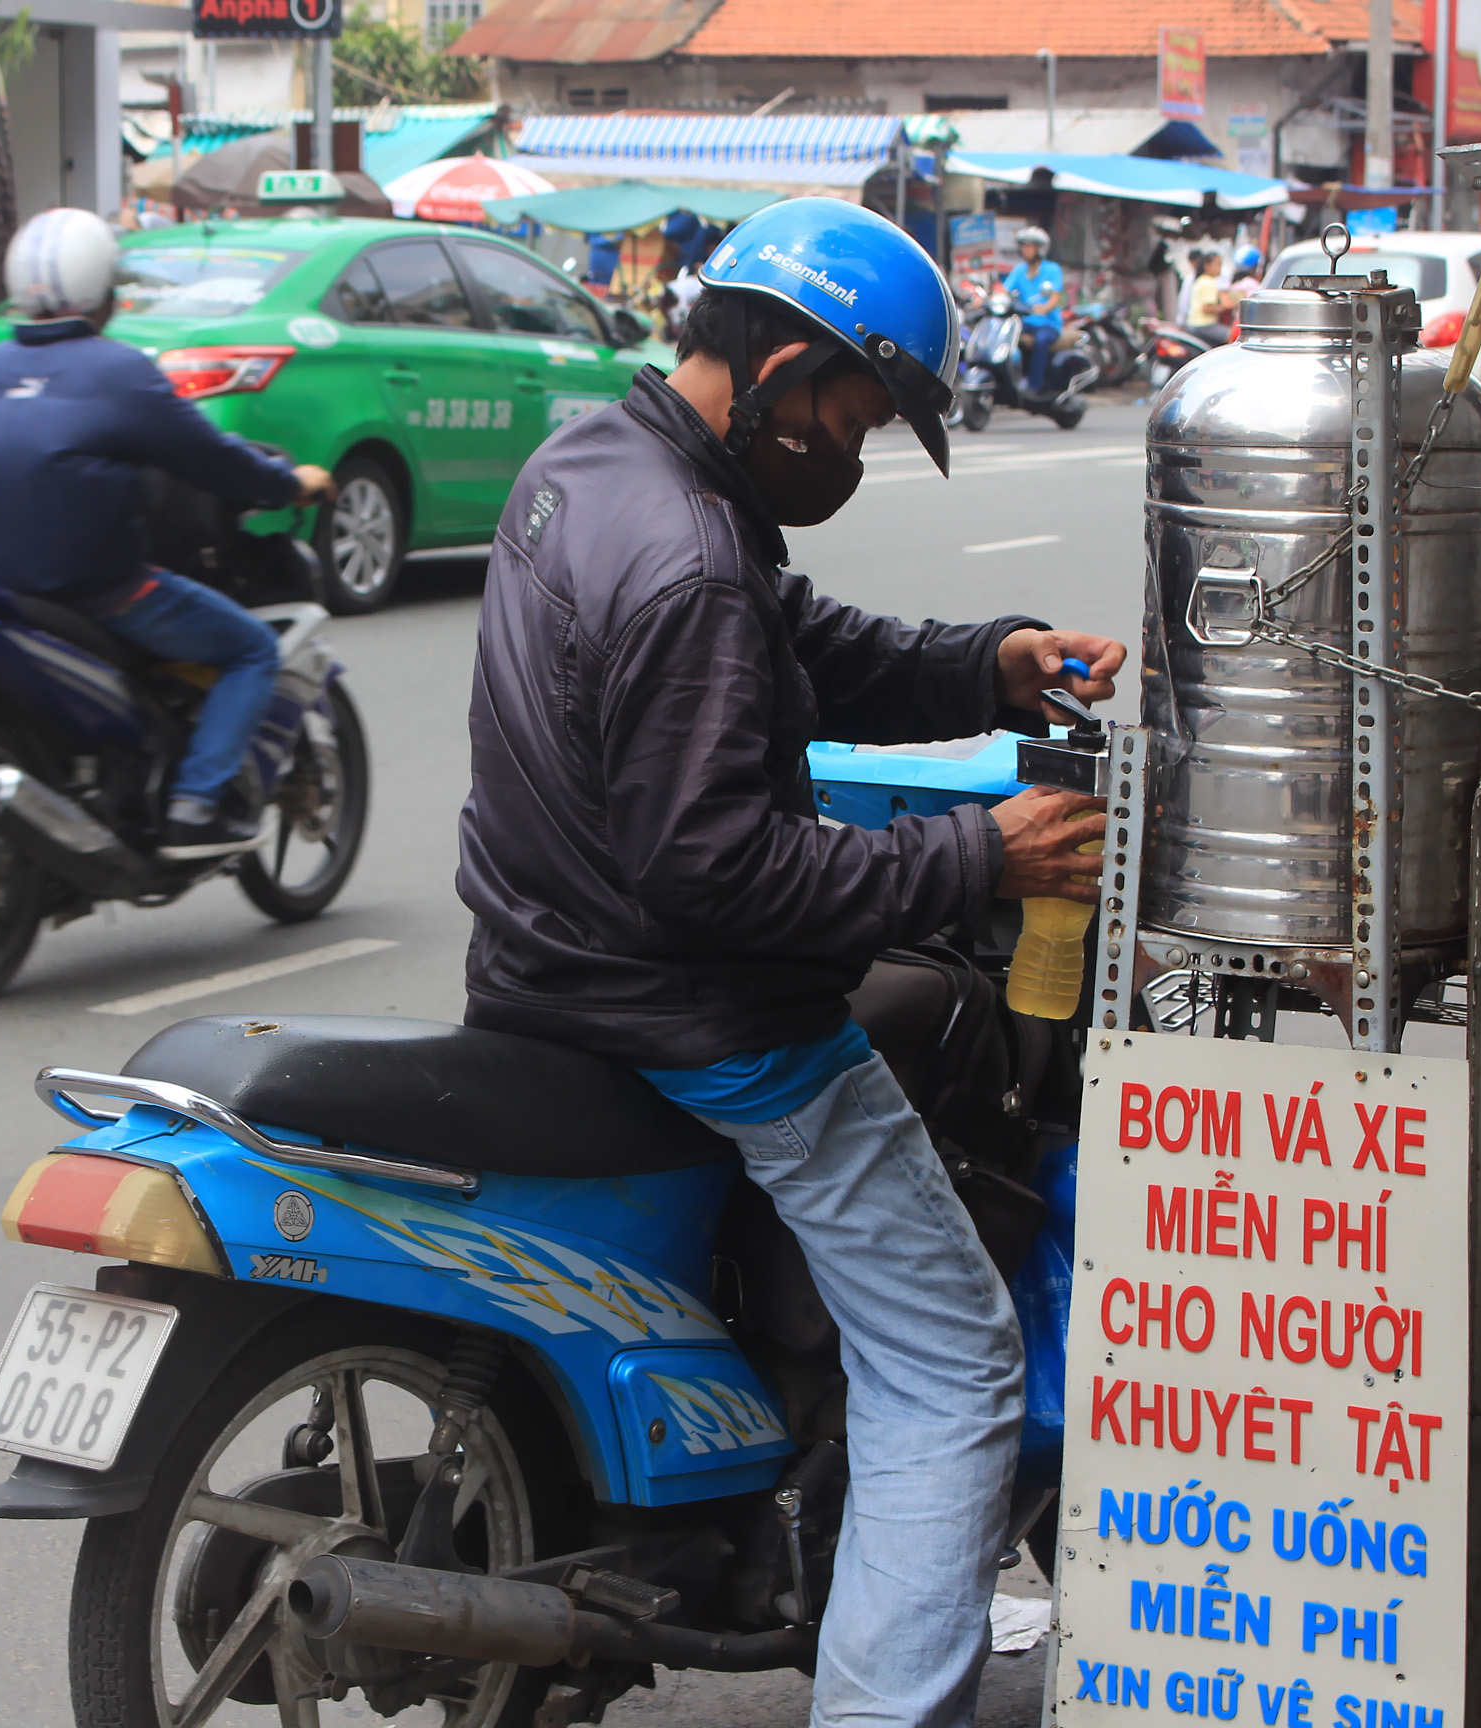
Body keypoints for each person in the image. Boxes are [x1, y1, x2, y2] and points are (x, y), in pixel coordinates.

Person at [456, 197, 1122, 1728]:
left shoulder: (599, 467)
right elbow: (719, 869)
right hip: (697, 1016)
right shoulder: (689, 554)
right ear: (783, 361)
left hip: (542, 972)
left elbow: (790, 644)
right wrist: (983, 858)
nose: (855, 448)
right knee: (955, 1370)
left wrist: (984, 658)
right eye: (859, 413)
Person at [0, 208, 338, 858]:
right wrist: (290, 482)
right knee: (250, 651)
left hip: (1, 592)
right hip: (104, 592)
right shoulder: (119, 371)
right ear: (103, 290)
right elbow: (214, 461)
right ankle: (195, 805)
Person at [1001, 224, 1065, 397]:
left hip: (1047, 323)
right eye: (1023, 246)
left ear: (1040, 249)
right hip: (1025, 321)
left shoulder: (1052, 270)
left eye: (1029, 246)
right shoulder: (1019, 270)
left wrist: (1044, 308)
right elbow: (1004, 290)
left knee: (1041, 341)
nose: (1025, 250)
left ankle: (1034, 386)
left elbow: (1055, 297)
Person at [1184, 248, 1237, 345]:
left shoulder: (1200, 280)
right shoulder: (1209, 282)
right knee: (1234, 335)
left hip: (1192, 324)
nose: (1220, 268)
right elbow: (1207, 308)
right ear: (1207, 266)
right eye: (1218, 264)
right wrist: (1227, 307)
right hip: (1204, 325)